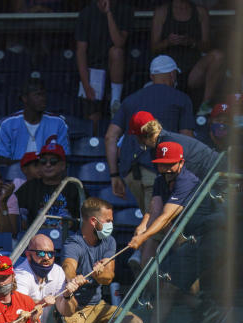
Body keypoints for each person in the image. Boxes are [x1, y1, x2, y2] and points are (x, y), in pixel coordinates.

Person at [60, 197, 152, 323]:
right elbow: (68, 266)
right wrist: (72, 278)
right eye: (108, 220)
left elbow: (108, 277)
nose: (111, 224)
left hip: (98, 307)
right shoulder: (73, 243)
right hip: (75, 310)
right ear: (93, 221)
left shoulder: (108, 241)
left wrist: (97, 273)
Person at [128, 141, 223, 323]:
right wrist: (142, 226)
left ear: (181, 162)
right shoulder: (160, 181)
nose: (166, 168)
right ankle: (202, 308)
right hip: (194, 238)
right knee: (164, 282)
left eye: (170, 163)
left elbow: (165, 216)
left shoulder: (187, 181)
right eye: (162, 163)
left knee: (168, 285)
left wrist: (144, 237)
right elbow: (154, 210)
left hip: (211, 237)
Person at [106, 55, 195, 216]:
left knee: (152, 223)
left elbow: (110, 137)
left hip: (131, 174)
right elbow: (187, 138)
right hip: (158, 172)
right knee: (155, 228)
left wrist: (114, 175)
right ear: (173, 74)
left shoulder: (130, 100)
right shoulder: (182, 99)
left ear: (152, 76)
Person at [151, 0, 226, 114]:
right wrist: (168, 42)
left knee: (218, 56)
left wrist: (191, 42)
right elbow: (153, 47)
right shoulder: (162, 11)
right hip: (169, 69)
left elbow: (207, 46)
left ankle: (204, 107)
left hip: (194, 70)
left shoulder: (200, 12)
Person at [74, 0, 134, 118]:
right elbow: (81, 52)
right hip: (94, 70)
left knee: (116, 51)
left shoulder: (125, 10)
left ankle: (115, 102)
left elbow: (119, 42)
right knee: (93, 119)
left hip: (118, 71)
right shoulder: (87, 13)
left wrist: (109, 13)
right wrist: (86, 84)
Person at [0, 78, 69, 164]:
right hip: (16, 172)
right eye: (37, 95)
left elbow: (64, 156)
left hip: (49, 171)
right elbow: (0, 157)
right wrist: (28, 165)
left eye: (44, 95)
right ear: (25, 98)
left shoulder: (58, 123)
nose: (43, 99)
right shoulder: (7, 124)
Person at [15, 141, 80, 228]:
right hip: (36, 238)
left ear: (63, 165)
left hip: (67, 238)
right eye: (43, 161)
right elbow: (16, 216)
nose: (48, 165)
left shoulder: (75, 187)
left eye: (53, 161)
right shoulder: (29, 187)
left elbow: (86, 219)